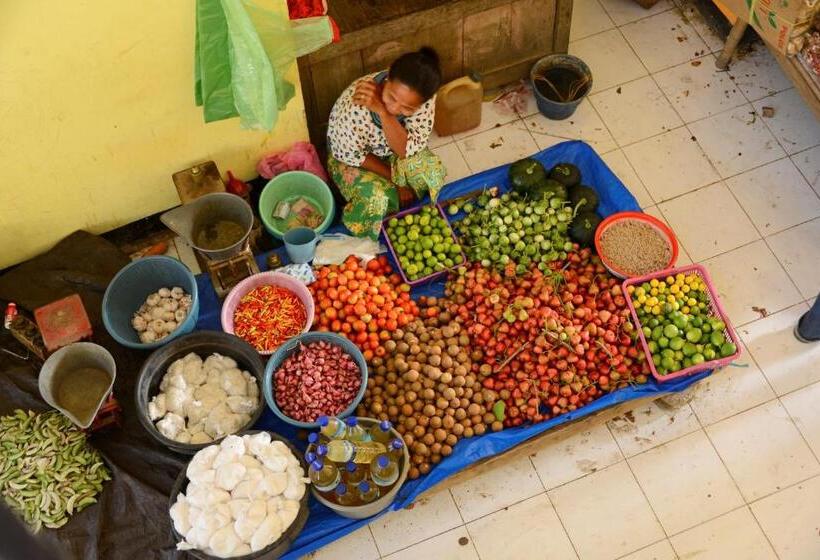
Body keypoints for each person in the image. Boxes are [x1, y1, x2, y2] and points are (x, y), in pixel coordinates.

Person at [326, 47, 446, 238]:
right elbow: (354, 156)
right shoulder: (355, 106)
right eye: (391, 97)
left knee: (429, 173)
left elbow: (406, 150)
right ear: (389, 74)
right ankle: (363, 224)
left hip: (393, 149)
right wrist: (396, 181)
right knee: (375, 200)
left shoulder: (424, 99)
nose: (394, 108)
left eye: (407, 108)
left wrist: (383, 112)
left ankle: (397, 210)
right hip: (352, 157)